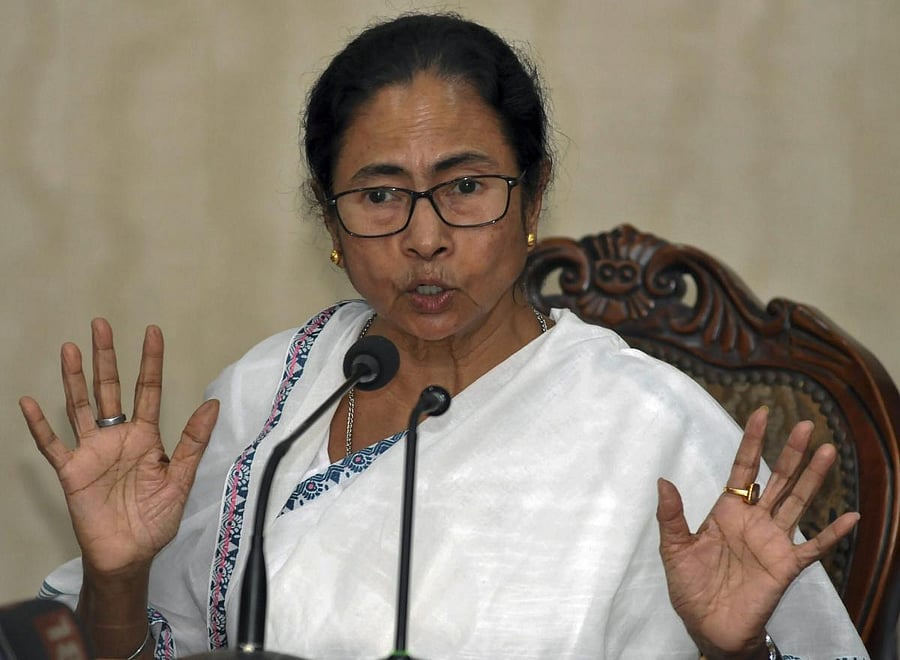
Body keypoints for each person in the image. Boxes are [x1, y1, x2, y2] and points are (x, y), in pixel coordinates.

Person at [20, 12, 868, 660]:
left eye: (465, 187)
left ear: (532, 201)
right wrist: (120, 576)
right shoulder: (267, 398)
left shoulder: (653, 430)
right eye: (381, 195)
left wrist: (734, 652)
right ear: (331, 221)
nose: (425, 239)